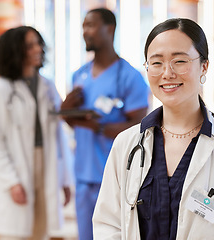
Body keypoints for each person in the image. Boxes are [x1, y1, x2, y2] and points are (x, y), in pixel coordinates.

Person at [93, 18, 214, 239]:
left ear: (204, 66)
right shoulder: (127, 144)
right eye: (156, 62)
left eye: (180, 61)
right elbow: (108, 225)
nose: (167, 73)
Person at [60, 8, 150, 240]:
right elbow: (76, 126)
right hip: (83, 177)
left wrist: (98, 126)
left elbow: (139, 128)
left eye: (90, 26)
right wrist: (65, 111)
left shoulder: (129, 77)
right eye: (83, 26)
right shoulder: (79, 75)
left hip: (116, 179)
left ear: (109, 29)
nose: (85, 32)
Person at [0, 26, 71, 240]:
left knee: (42, 228)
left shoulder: (47, 85)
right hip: (18, 165)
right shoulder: (2, 89)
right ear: (16, 51)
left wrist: (65, 179)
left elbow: (59, 136)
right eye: (30, 45)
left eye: (38, 43)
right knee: (15, 232)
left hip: (46, 162)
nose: (38, 49)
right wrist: (11, 181)